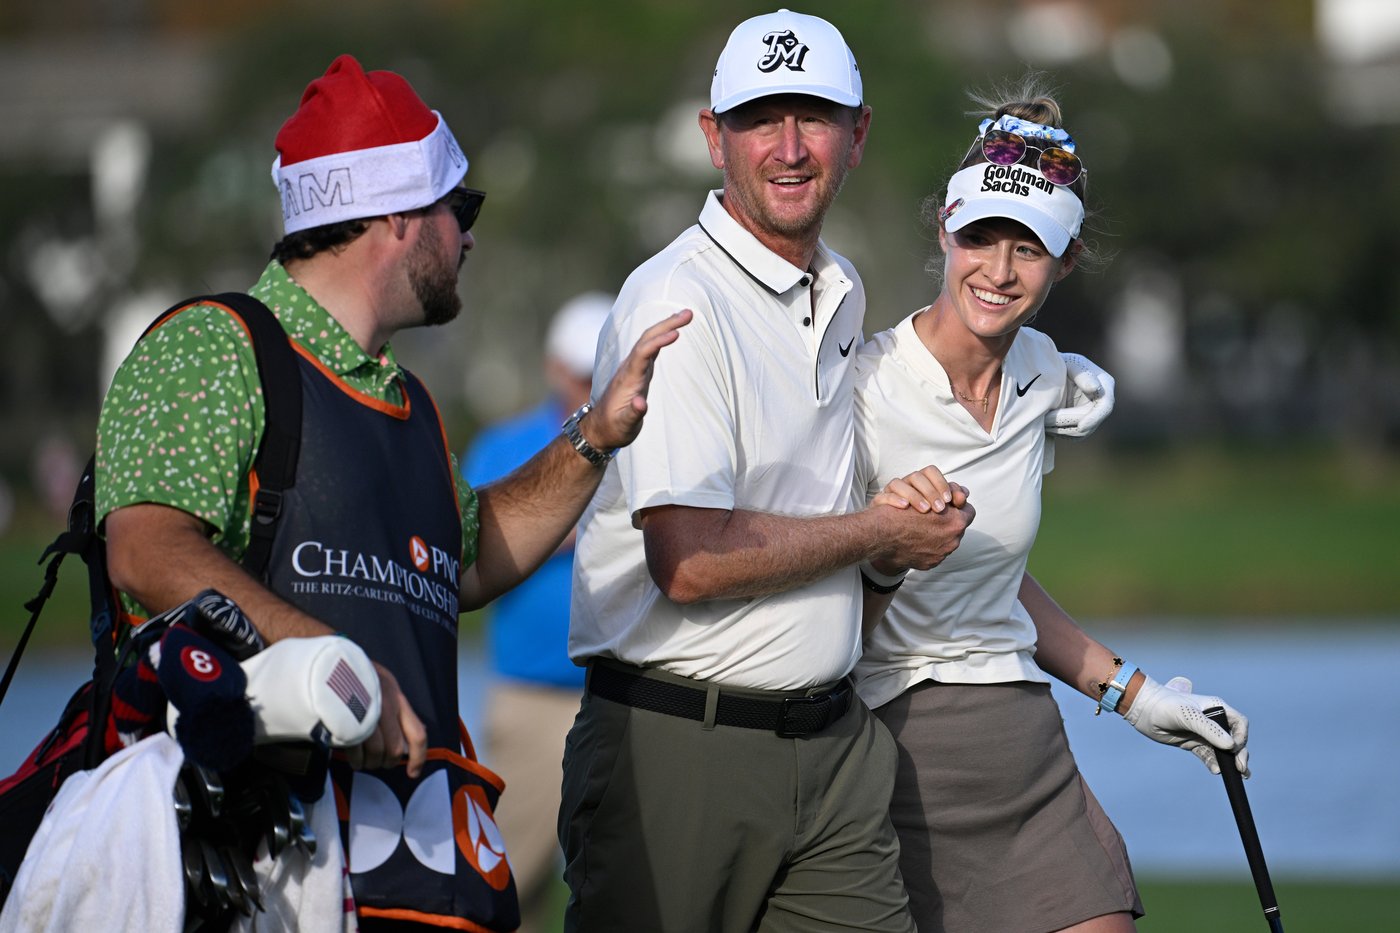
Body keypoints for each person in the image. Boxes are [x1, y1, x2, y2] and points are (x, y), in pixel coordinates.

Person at [94, 54, 689, 931]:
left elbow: (468, 557)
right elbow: (146, 548)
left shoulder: (406, 400)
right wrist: (331, 660)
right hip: (253, 862)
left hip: (409, 872)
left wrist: (595, 435)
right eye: (463, 208)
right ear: (401, 216)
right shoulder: (216, 346)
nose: (471, 236)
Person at [559, 11, 978, 933]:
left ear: (857, 135)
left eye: (814, 118)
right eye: (760, 120)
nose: (789, 148)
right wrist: (878, 530)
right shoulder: (680, 299)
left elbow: (817, 514)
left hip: (832, 749)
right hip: (677, 748)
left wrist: (892, 546)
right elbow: (690, 560)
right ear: (715, 139)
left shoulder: (843, 286)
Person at [852, 79, 1251, 933]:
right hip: (889, 740)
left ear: (1065, 260)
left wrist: (1137, 695)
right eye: (980, 238)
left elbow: (996, 580)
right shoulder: (867, 385)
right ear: (944, 229)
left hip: (1019, 731)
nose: (997, 270)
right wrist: (886, 547)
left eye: (1028, 248)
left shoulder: (1042, 373)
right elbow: (820, 603)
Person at [461, 291, 613, 931]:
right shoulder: (507, 445)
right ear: (555, 367)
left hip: (623, 697)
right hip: (532, 698)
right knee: (502, 883)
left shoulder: (652, 435)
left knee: (616, 888)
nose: (587, 384)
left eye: (599, 369)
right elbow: (471, 548)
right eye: (579, 370)